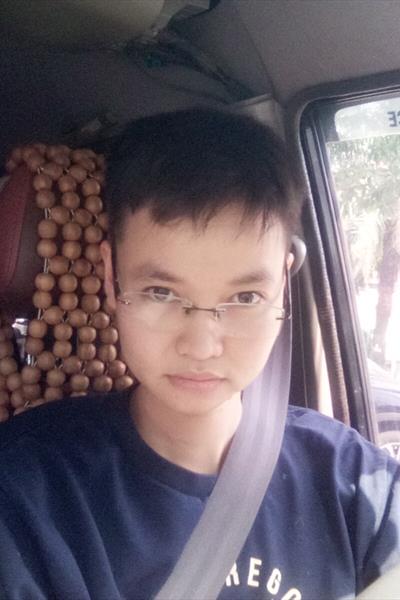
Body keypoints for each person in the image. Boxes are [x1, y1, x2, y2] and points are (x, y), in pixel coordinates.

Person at [0, 108, 399, 600]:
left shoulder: (353, 481)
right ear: (110, 276)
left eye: (245, 297)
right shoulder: (26, 501)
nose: (202, 346)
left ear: (283, 281)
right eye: (161, 293)